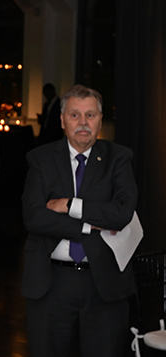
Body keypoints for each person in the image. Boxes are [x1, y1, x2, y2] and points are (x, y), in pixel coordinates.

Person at [21, 84, 137, 357]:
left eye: (90, 115)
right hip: (51, 283)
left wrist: (70, 205)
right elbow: (34, 216)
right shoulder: (41, 159)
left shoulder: (118, 158)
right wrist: (88, 224)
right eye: (75, 115)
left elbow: (122, 213)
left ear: (100, 120)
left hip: (104, 283)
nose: (83, 122)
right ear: (63, 120)